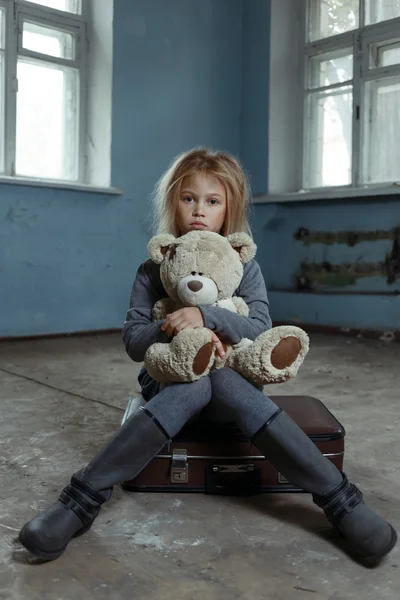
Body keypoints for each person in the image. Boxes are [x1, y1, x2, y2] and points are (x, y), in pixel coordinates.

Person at [19, 148, 397, 564]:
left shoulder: (242, 267)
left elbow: (258, 328)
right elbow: (133, 341)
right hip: (170, 386)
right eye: (189, 198)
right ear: (172, 204)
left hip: (235, 390)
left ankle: (340, 501)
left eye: (212, 201)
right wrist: (177, 327)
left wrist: (207, 316)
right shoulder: (153, 269)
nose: (199, 210)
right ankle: (80, 502)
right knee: (199, 382)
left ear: (228, 210)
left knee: (219, 378)